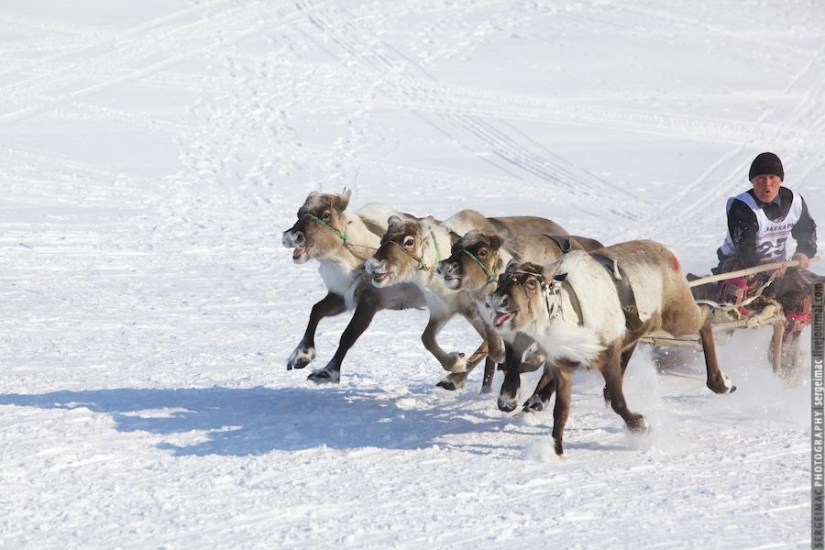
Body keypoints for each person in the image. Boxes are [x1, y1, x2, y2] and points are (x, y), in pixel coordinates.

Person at [715, 151, 818, 375]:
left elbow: (807, 231)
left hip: (779, 268)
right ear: (753, 181)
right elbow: (746, 249)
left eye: (773, 178)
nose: (767, 185)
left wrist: (803, 252)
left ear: (780, 180)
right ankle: (721, 329)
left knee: (809, 296)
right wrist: (768, 263)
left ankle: (783, 352)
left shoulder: (794, 202)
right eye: (761, 179)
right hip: (741, 265)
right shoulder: (742, 206)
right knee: (738, 287)